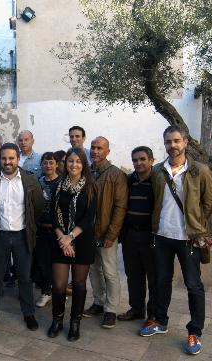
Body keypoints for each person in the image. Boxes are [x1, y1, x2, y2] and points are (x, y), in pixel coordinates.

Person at [139, 126, 212, 356]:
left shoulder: (200, 171)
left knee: (193, 285)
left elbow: (208, 204)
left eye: (176, 141)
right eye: (168, 142)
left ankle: (195, 331)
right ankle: (160, 321)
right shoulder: (159, 171)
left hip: (188, 239)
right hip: (161, 236)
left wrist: (195, 225)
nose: (172, 146)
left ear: (186, 142)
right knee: (161, 281)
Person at [0, 143, 45, 331]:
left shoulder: (30, 181)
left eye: (11, 158)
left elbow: (39, 206)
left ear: (18, 159)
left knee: (24, 277)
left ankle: (29, 314)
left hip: (22, 236)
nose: (7, 162)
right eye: (3, 158)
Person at [47, 147, 97, 341]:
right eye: (70, 161)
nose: (74, 165)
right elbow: (53, 215)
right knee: (59, 285)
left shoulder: (91, 186)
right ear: (65, 163)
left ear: (83, 164)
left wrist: (71, 237)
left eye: (78, 161)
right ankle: (57, 320)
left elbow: (89, 217)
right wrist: (63, 238)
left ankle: (75, 323)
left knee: (78, 283)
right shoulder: (58, 185)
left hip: (82, 240)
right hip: (60, 240)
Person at [83, 136, 128, 329]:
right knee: (93, 270)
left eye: (99, 148)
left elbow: (120, 207)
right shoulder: (88, 172)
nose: (95, 151)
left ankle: (111, 309)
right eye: (93, 148)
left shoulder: (116, 174)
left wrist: (111, 234)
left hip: (106, 233)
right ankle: (98, 303)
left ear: (107, 151)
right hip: (88, 233)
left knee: (110, 272)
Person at [118, 146, 156, 323]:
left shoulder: (158, 181)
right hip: (131, 236)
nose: (138, 163)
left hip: (151, 237)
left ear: (151, 161)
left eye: (142, 159)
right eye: (135, 160)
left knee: (154, 276)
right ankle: (136, 309)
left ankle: (154, 314)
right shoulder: (128, 180)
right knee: (133, 275)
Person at [33, 152, 61, 308]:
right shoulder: (38, 182)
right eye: (45, 163)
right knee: (43, 263)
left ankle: (58, 292)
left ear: (56, 164)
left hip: (58, 232)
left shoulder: (63, 182)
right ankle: (46, 292)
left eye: (51, 163)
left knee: (58, 265)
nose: (48, 166)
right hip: (41, 230)